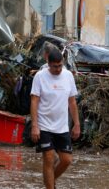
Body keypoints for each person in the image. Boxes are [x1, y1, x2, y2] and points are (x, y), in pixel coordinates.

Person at [30, 49, 80, 189]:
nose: (58, 69)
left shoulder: (68, 76)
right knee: (49, 157)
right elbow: (34, 101)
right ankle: (50, 186)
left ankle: (49, 182)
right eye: (55, 66)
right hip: (44, 125)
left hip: (62, 126)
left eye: (60, 66)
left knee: (66, 160)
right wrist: (35, 126)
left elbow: (72, 102)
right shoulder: (40, 77)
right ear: (48, 63)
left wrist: (77, 124)